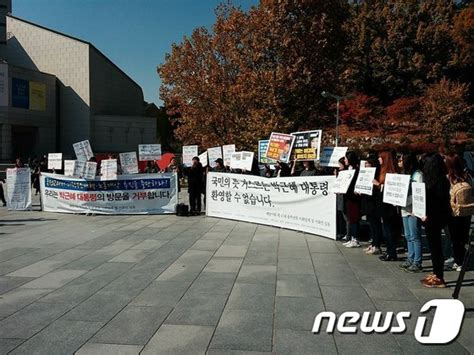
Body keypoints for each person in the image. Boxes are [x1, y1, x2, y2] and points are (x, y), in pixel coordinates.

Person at [420, 153, 451, 288]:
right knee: (434, 247)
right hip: (436, 216)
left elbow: (435, 202)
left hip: (433, 217)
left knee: (435, 247)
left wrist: (426, 214)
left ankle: (439, 277)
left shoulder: (436, 183)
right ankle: (436, 273)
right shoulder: (441, 180)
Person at [445, 153, 473, 272]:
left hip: (454, 211)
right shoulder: (467, 176)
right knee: (463, 237)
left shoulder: (449, 178)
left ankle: (459, 261)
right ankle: (463, 260)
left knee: (455, 238)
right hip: (467, 210)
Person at [399, 153, 424, 272]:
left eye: (402, 159)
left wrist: (418, 209)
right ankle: (410, 258)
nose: (400, 161)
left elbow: (419, 192)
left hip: (414, 209)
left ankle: (417, 261)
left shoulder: (418, 175)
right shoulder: (404, 174)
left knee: (415, 236)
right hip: (404, 208)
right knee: (408, 235)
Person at [374, 151, 400, 261]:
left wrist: (379, 185)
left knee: (390, 230)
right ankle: (389, 251)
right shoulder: (382, 171)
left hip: (390, 206)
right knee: (386, 229)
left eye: (380, 157)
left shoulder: (391, 173)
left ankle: (391, 252)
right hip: (383, 205)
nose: (379, 159)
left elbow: (390, 188)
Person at [361, 153, 383, 255]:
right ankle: (373, 243)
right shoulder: (366, 173)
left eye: (368, 164)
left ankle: (377, 245)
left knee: (376, 224)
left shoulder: (378, 174)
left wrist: (376, 185)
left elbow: (379, 190)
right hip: (367, 201)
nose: (366, 166)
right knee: (371, 224)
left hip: (374, 202)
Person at [342, 151, 361, 248]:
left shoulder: (357, 170)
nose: (344, 160)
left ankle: (355, 238)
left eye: (346, 158)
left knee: (354, 218)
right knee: (350, 217)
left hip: (354, 197)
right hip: (348, 197)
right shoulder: (347, 169)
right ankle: (351, 237)